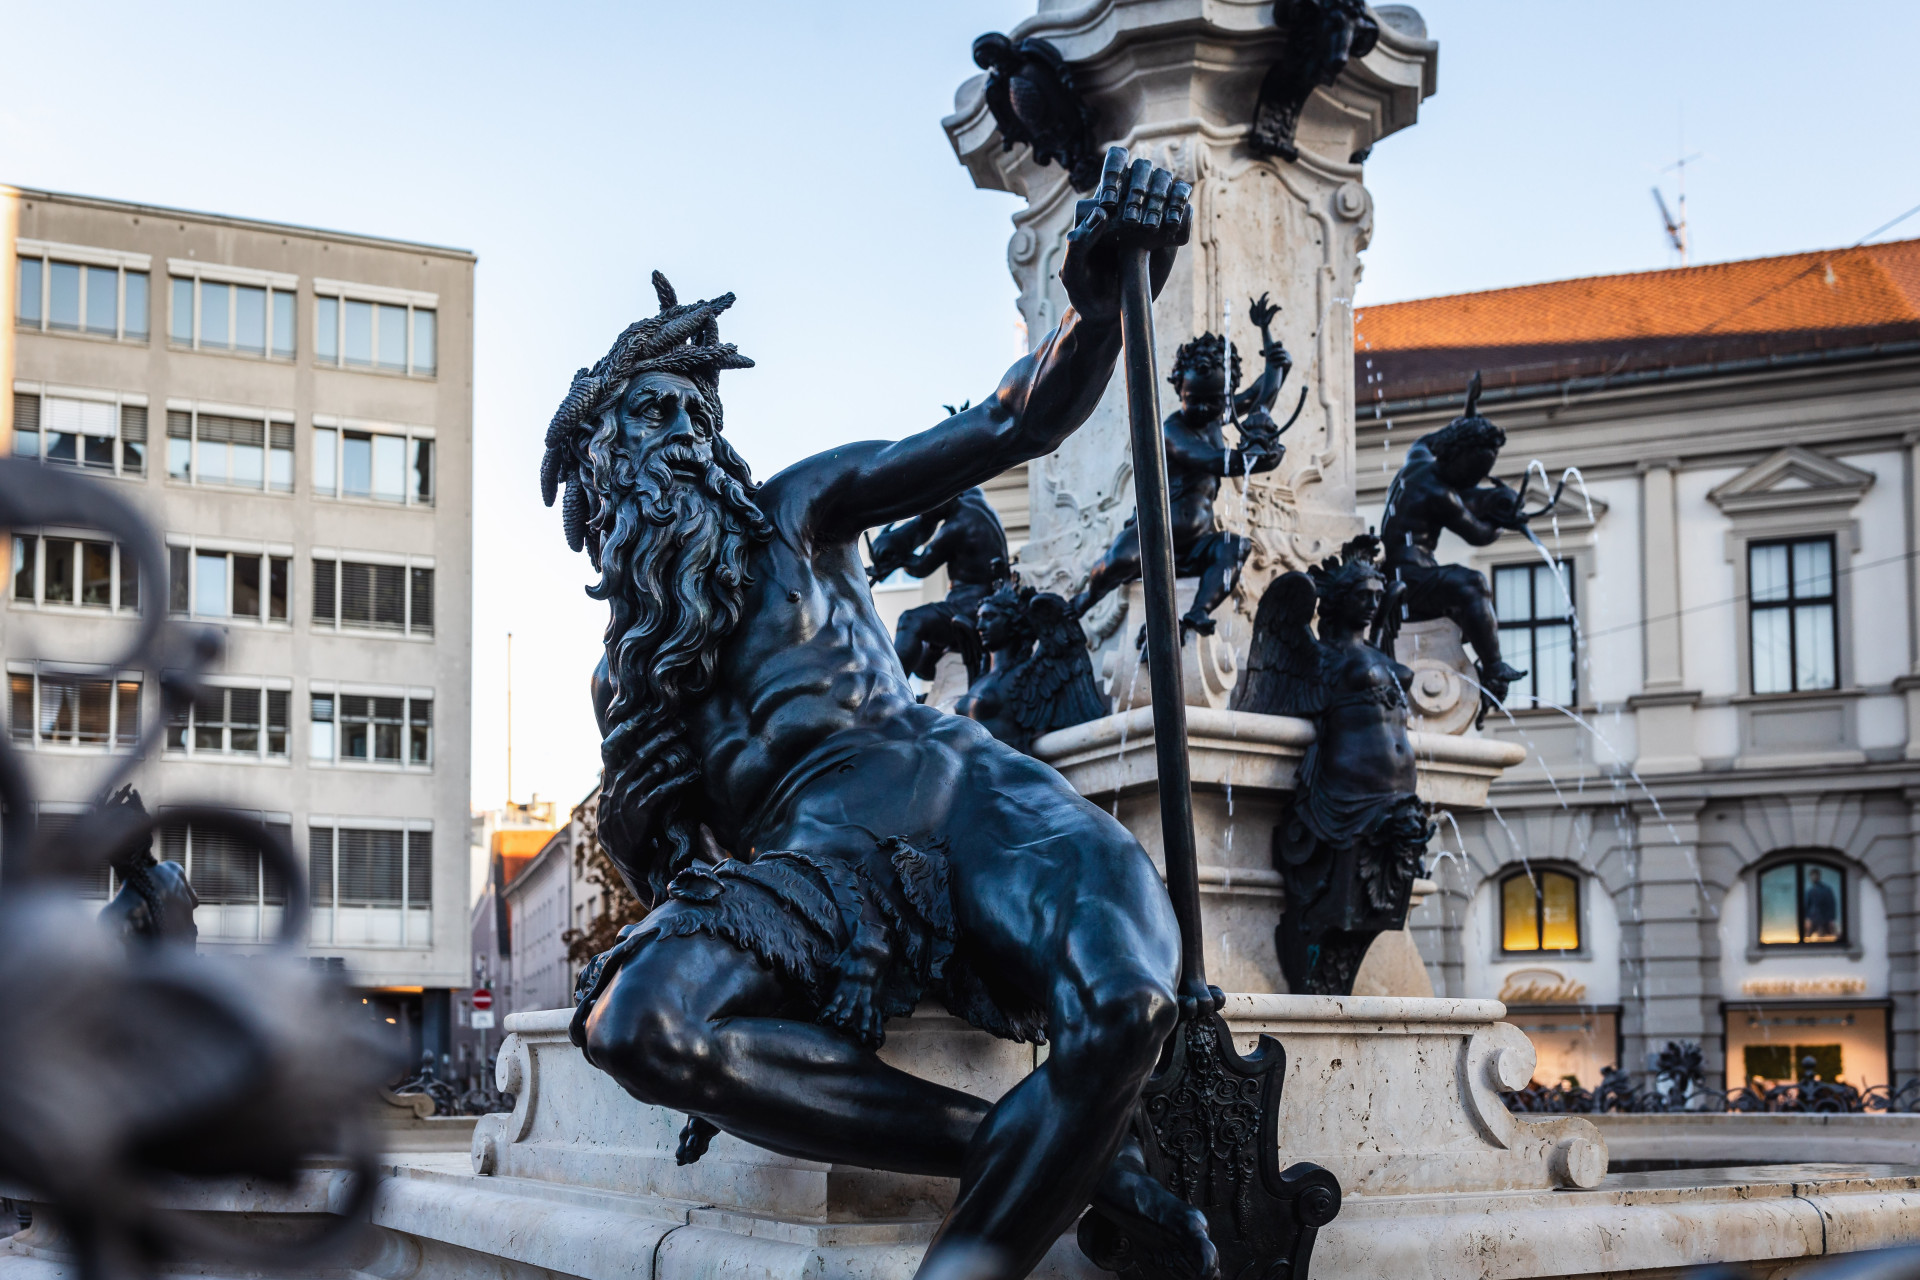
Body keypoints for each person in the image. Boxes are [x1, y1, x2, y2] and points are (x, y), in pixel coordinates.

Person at [545, 152, 1220, 1280]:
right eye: (634, 432)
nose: (668, 445)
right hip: (819, 871)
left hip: (971, 803)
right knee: (634, 1021)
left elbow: (1013, 420)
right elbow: (676, 869)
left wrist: (1097, 307)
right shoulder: (629, 682)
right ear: (596, 490)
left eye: (683, 417)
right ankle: (1055, 1157)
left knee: (1129, 1003)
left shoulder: (800, 511)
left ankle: (1014, 1200)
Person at [1068, 294, 1297, 637]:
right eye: (1195, 400)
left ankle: (1198, 612)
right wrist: (1256, 459)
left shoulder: (1217, 411)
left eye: (1216, 401)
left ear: (1225, 395)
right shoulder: (1173, 431)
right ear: (1179, 389)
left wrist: (1278, 362)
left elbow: (1260, 396)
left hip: (1198, 541)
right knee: (1114, 563)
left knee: (1236, 548)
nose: (1206, 409)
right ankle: (1079, 606)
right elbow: (1213, 461)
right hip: (1158, 538)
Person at [1379, 377, 1528, 706]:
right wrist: (1506, 521)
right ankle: (1494, 668)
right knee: (1471, 584)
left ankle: (1472, 674)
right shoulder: (1439, 493)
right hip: (1409, 577)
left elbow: (1431, 440)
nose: (1473, 480)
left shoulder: (1416, 459)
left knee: (1464, 608)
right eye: (1472, 472)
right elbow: (1477, 534)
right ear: (1455, 459)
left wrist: (1466, 422)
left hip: (1402, 573)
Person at [1803, 868, 1840, 942]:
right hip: (1814, 917)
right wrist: (1807, 918)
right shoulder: (1811, 890)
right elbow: (1807, 905)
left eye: (1815, 876)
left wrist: (1831, 918)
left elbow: (1831, 904)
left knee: (1823, 936)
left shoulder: (1826, 889)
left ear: (1818, 876)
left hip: (1823, 917)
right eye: (1812, 876)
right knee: (1808, 936)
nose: (1813, 878)